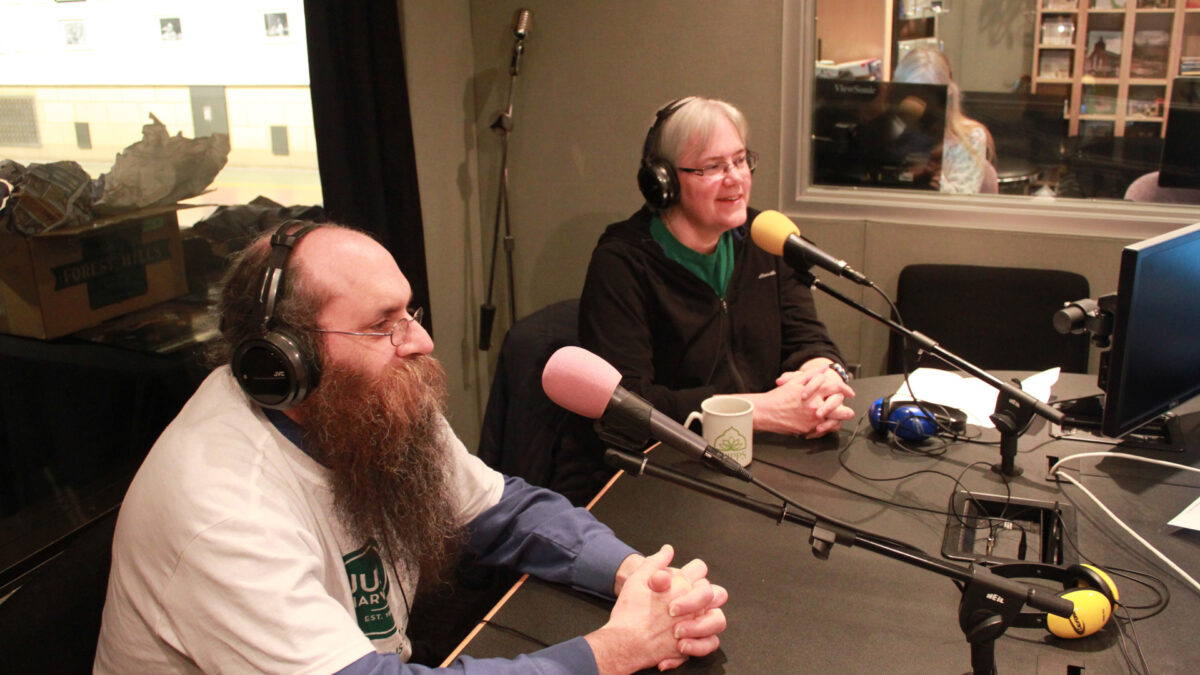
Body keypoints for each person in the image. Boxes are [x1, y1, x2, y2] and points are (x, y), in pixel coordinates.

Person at [94, 222, 727, 674]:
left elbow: (504, 510)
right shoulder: (222, 510)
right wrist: (612, 653)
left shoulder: (366, 405)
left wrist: (637, 575)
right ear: (285, 362)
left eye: (409, 311)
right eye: (381, 325)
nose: (419, 341)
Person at [579, 96, 856, 439]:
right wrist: (759, 412)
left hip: (765, 445)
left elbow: (808, 339)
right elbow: (624, 404)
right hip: (673, 458)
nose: (736, 179)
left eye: (740, 160)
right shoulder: (622, 263)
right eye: (713, 167)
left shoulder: (766, 238)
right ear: (663, 181)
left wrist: (822, 378)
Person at [892, 47, 996, 194]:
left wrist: (931, 175)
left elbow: (962, 202)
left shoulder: (969, 138)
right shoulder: (892, 136)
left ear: (949, 97)